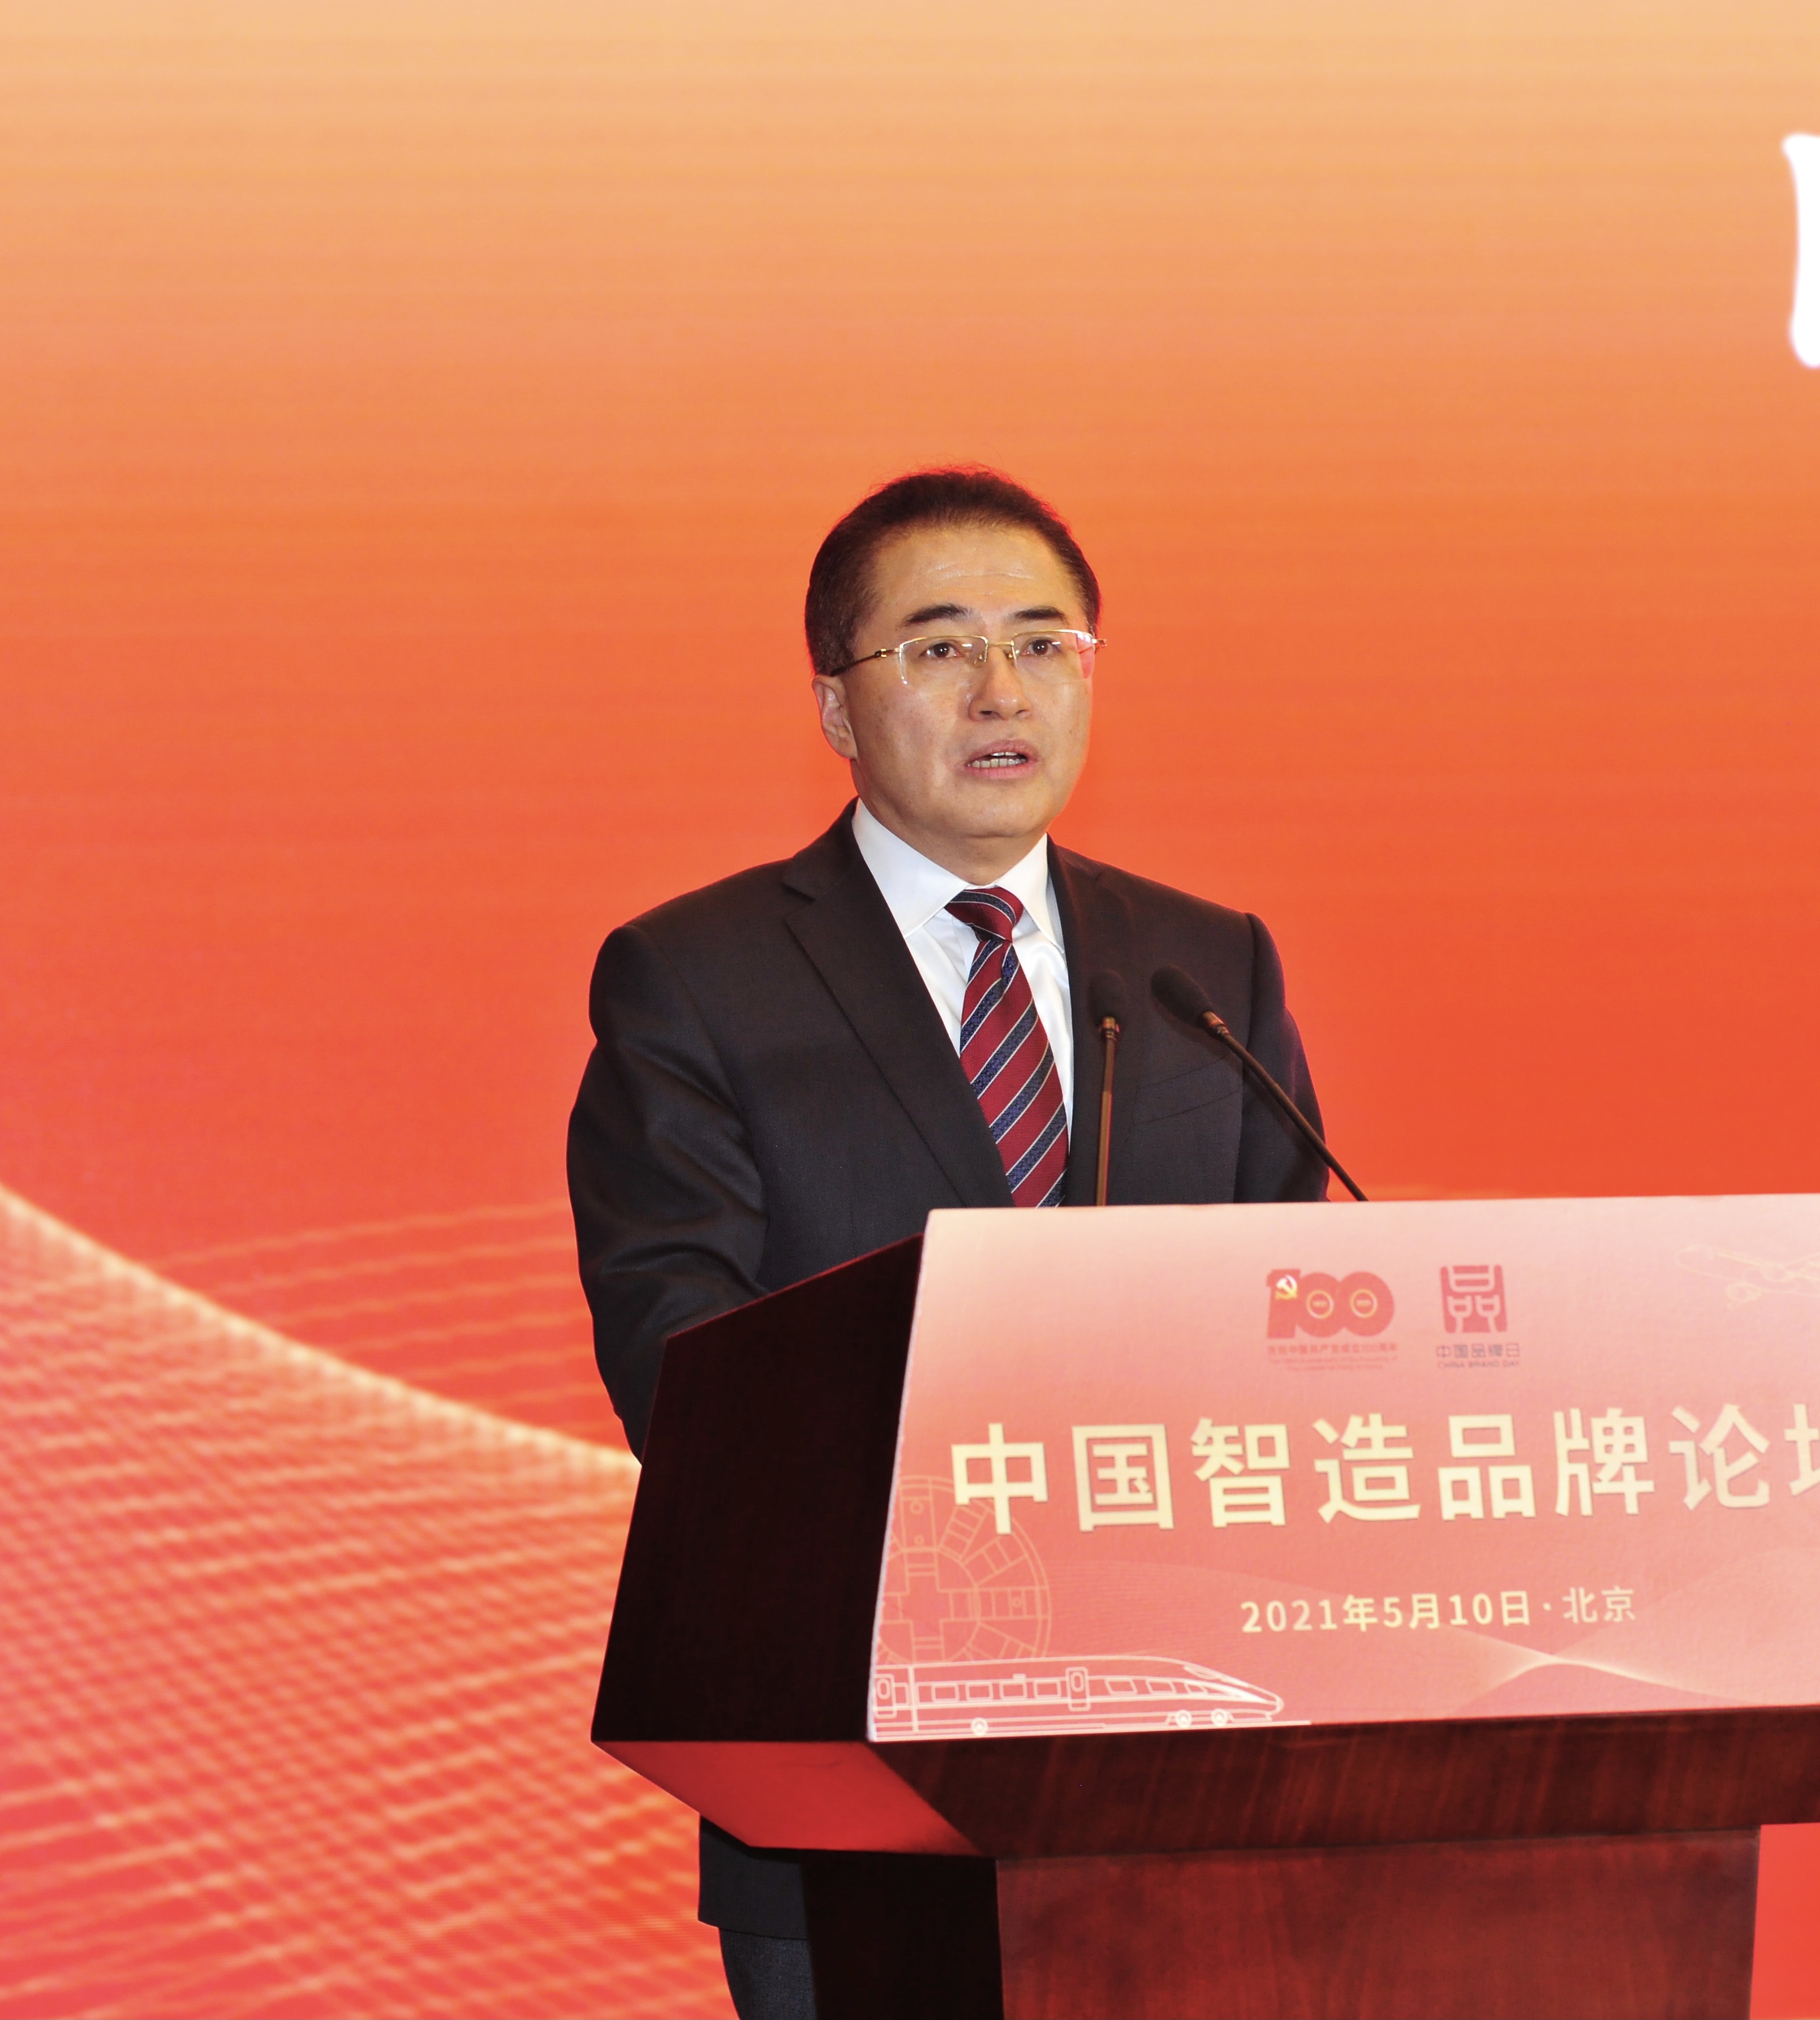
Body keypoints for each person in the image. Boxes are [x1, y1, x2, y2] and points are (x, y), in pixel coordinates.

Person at [567, 466, 1330, 2020]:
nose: (1002, 689)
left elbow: (1290, 1311)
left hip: (1195, 1744)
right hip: (855, 1746)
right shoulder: (696, 978)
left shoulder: (1206, 965)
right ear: (836, 707)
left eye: (1045, 643)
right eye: (939, 646)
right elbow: (678, 1360)